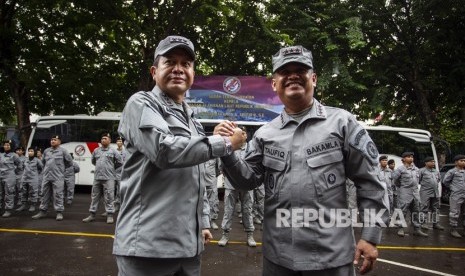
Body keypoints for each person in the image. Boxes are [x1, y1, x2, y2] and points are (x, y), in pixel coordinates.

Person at [215, 45, 389, 275]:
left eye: (301, 70)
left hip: (330, 260)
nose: (293, 75)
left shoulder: (342, 123)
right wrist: (226, 148)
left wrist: (370, 236)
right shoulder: (266, 133)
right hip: (278, 259)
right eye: (285, 72)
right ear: (275, 84)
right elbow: (247, 180)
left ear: (314, 78)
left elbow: (370, 181)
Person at [112, 35, 242, 276]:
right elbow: (164, 150)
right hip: (148, 249)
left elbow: (198, 177)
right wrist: (225, 143)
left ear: (193, 73)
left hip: (188, 248)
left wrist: (202, 222)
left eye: (186, 64)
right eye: (170, 62)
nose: (179, 69)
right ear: (154, 71)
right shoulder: (141, 103)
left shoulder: (190, 117)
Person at [218, 126, 257, 247]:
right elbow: (221, 165)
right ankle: (225, 234)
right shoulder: (229, 147)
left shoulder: (251, 148)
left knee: (247, 210)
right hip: (231, 184)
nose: (242, 135)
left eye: (244, 133)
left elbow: (254, 165)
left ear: (246, 136)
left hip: (246, 185)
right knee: (228, 210)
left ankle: (250, 235)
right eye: (239, 133)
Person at [82, 133, 123, 224]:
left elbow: (120, 162)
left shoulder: (113, 151)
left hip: (109, 178)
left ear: (109, 140)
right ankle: (92, 215)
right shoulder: (96, 150)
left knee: (109, 197)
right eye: (102, 138)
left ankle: (110, 215)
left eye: (105, 138)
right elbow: (93, 161)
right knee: (94, 197)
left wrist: (111, 168)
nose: (103, 140)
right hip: (97, 177)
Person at [32, 135, 73, 221]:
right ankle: (42, 211)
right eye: (52, 140)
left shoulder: (63, 151)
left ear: (59, 142)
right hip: (46, 176)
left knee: (58, 194)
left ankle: (59, 212)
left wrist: (60, 170)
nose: (53, 141)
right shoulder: (47, 151)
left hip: (58, 177)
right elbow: (43, 162)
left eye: (55, 140)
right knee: (44, 194)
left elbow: (69, 163)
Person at [392, 152, 428, 237]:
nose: (411, 158)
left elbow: (419, 180)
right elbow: (395, 180)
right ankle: (400, 228)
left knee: (416, 211)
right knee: (402, 210)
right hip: (405, 192)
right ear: (403, 159)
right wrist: (401, 188)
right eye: (408, 157)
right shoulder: (400, 169)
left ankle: (417, 229)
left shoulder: (416, 169)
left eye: (412, 157)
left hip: (415, 193)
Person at [418, 156, 444, 231]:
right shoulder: (421, 171)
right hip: (425, 192)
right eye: (431, 161)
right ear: (426, 163)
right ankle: (423, 223)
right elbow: (418, 180)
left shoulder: (436, 171)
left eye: (434, 162)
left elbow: (438, 179)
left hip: (435, 192)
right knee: (424, 208)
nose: (433, 163)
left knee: (436, 208)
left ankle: (436, 224)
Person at [442, 154, 465, 238]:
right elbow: (445, 181)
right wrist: (453, 188)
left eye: (464, 161)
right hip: (456, 195)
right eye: (461, 161)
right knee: (454, 212)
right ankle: (453, 229)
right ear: (456, 162)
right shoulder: (452, 171)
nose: (463, 162)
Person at [16, 148, 43, 212]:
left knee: (33, 192)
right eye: (29, 151)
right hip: (25, 178)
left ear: (35, 152)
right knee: (23, 191)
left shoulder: (37, 160)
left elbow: (41, 168)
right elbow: (22, 167)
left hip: (33, 178)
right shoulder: (25, 160)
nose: (30, 152)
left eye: (32, 151)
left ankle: (32, 205)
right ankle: (23, 205)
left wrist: (35, 174)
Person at [0, 140, 23, 217]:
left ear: (11, 146)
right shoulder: (1, 155)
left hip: (9, 176)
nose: (6, 146)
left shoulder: (14, 155)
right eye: (5, 145)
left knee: (9, 193)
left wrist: (14, 172)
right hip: (0, 175)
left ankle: (8, 210)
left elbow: (19, 165)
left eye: (8, 145)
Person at [205, 157, 220, 230]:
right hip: (200, 182)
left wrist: (213, 177)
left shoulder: (215, 155)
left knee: (213, 202)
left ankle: (212, 221)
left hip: (211, 181)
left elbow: (218, 168)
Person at [113, 136, 126, 212]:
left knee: (119, 191)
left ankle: (119, 205)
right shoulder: (114, 151)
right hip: (114, 173)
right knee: (111, 191)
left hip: (122, 173)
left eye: (120, 141)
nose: (119, 142)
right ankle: (112, 206)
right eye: (118, 141)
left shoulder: (126, 151)